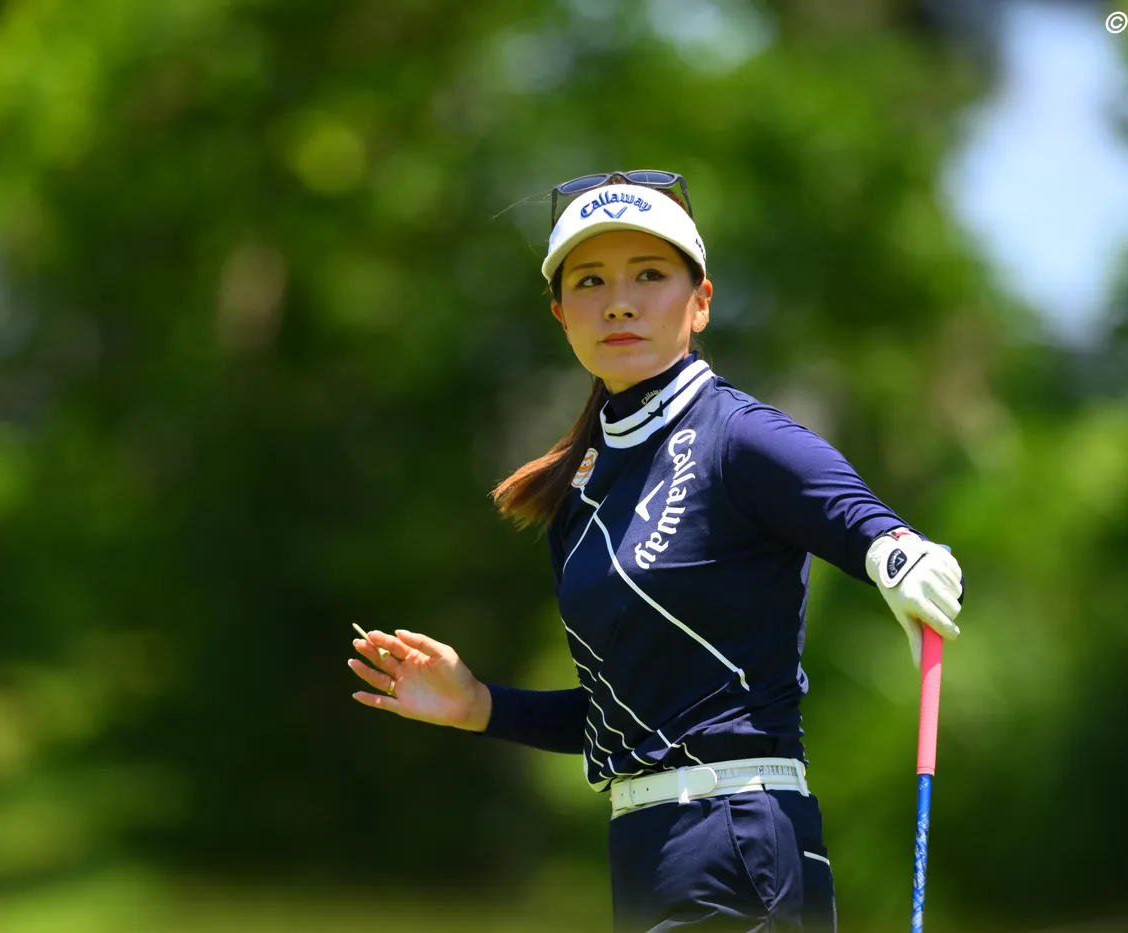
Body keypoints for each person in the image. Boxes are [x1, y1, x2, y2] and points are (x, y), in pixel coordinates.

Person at [347, 171, 966, 932]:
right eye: (590, 281)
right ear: (560, 314)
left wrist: (898, 554)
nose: (619, 302)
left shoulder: (739, 436)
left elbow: (860, 522)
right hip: (646, 849)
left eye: (648, 275)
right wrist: (481, 706)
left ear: (700, 301)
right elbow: (619, 714)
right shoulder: (579, 493)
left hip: (741, 839)